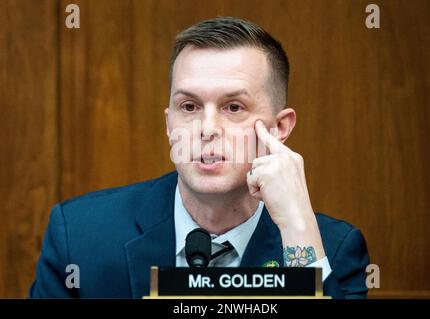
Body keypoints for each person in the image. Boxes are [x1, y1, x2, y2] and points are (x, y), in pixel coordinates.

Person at [29, 17, 369, 299]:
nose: (207, 128)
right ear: (168, 123)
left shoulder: (334, 250)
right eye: (189, 107)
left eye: (233, 107)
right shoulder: (79, 236)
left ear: (279, 127)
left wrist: (297, 229)